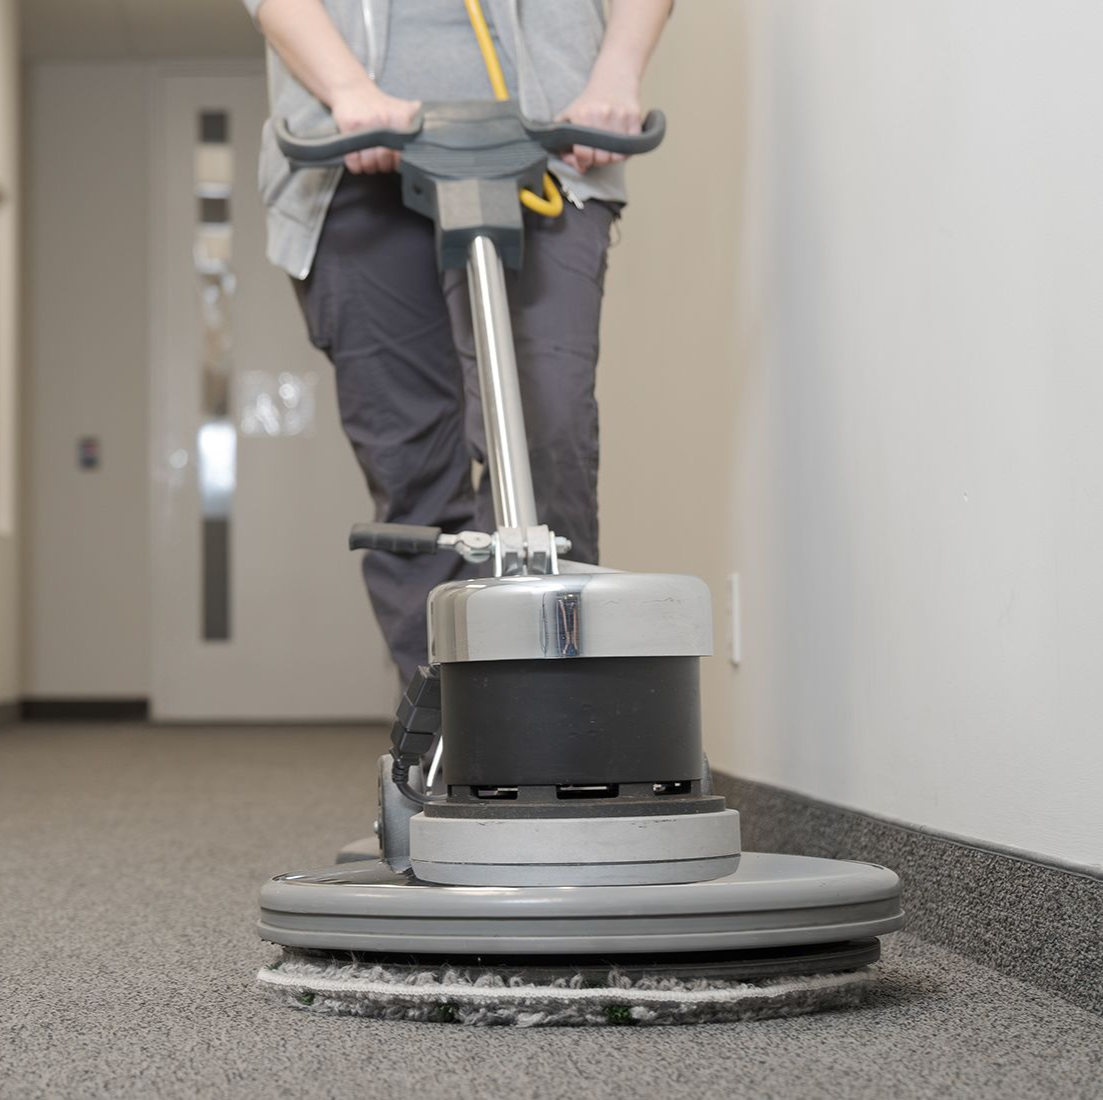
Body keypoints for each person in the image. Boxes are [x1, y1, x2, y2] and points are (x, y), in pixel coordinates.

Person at [243, 0, 672, 684]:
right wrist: (348, 90)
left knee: (546, 431)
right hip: (353, 159)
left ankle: (561, 707)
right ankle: (446, 727)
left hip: (547, 147)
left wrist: (616, 76)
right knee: (411, 463)